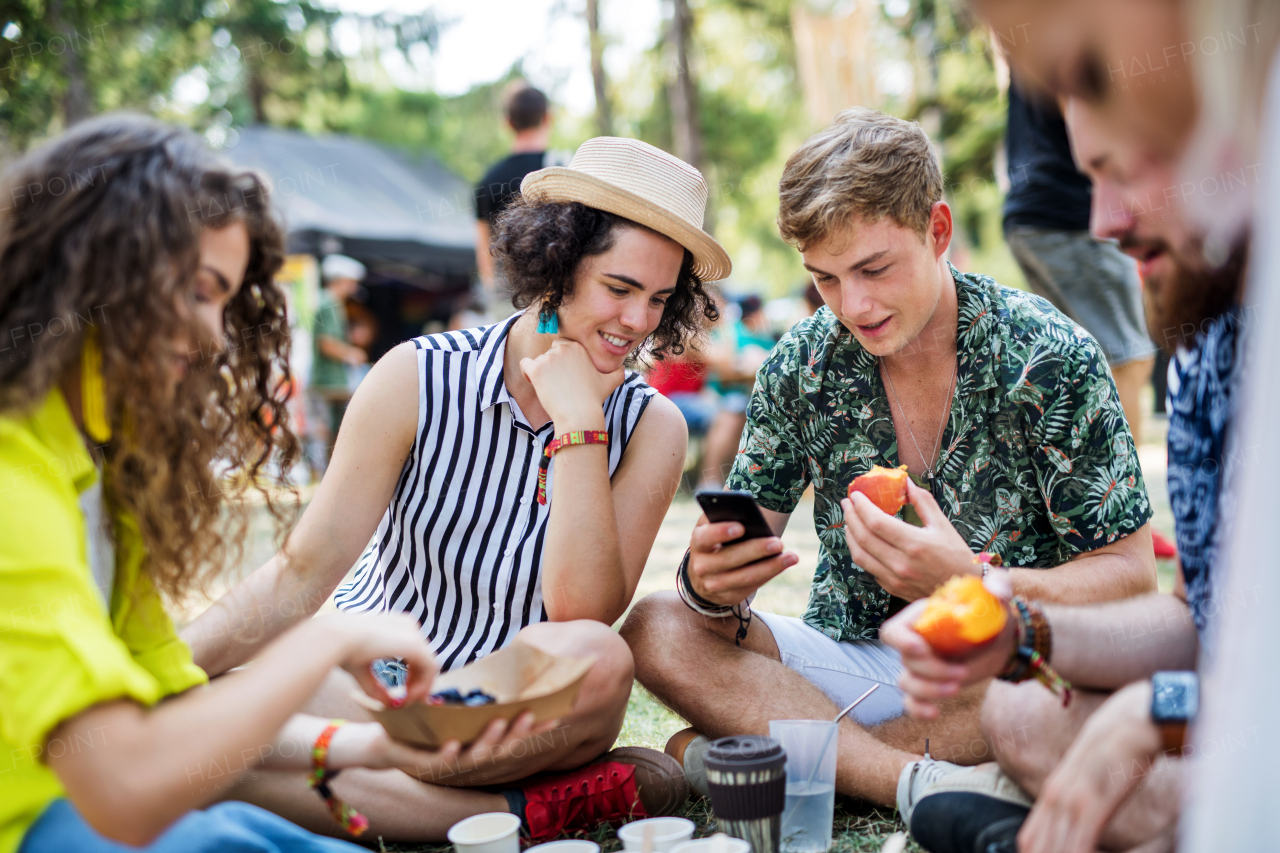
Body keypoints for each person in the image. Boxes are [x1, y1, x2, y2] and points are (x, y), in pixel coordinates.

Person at [0, 115, 528, 853]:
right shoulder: (13, 469)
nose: (215, 335)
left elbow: (171, 705)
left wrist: (367, 746)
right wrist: (328, 640)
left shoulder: (95, 467)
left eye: (222, 301)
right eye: (197, 290)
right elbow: (122, 785)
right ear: (98, 268)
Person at [179, 136, 727, 843]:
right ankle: (526, 812)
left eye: (657, 299)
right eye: (619, 289)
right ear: (556, 262)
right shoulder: (415, 375)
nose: (637, 322)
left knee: (602, 660)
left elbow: (581, 610)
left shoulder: (652, 425)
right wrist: (167, 668)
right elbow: (303, 570)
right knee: (198, 710)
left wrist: (579, 426)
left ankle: (318, 764)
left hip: (520, 711)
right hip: (373, 686)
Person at [621, 108, 1157, 808]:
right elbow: (736, 565)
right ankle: (911, 778)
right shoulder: (801, 364)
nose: (855, 305)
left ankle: (803, 761)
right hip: (849, 663)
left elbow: (1131, 576)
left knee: (1082, 684)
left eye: (874, 268)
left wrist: (974, 579)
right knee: (656, 627)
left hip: (1002, 664)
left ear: (938, 231)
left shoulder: (1048, 355)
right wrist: (708, 582)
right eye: (826, 279)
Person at [881, 97, 1248, 853]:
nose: (1103, 221)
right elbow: (1197, 621)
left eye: (1124, 174)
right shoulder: (1205, 344)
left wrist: (1161, 709)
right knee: (1018, 709)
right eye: (1089, 180)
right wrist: (1023, 633)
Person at [471, 83, 556, 318]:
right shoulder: (562, 172)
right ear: (548, 118)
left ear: (507, 122)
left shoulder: (488, 180)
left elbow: (484, 249)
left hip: (506, 299)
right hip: (558, 295)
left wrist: (492, 289)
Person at [695, 294, 778, 490]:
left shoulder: (763, 337)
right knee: (734, 412)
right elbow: (723, 368)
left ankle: (733, 483)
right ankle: (710, 483)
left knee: (748, 413)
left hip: (743, 397)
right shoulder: (729, 332)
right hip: (714, 397)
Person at [306, 254, 369, 471]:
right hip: (327, 382)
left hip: (329, 381)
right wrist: (352, 353)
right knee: (329, 432)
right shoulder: (330, 302)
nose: (353, 288)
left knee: (330, 430)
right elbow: (327, 343)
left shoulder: (325, 300)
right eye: (351, 283)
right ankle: (329, 475)